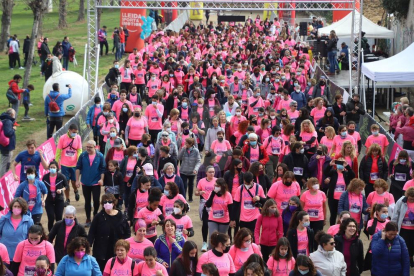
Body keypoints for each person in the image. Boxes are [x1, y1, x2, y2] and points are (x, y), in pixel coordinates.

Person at [87, 193, 131, 271]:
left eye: (110, 202)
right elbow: (92, 232)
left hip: (116, 249)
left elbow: (127, 232)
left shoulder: (121, 216)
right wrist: (88, 246)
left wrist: (124, 244)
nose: (107, 204)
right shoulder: (98, 216)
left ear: (114, 203)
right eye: (105, 202)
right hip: (101, 250)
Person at [75, 140, 106, 227]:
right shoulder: (83, 155)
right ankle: (88, 218)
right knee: (87, 201)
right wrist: (77, 180)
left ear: (95, 147)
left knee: (96, 200)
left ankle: (95, 214)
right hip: (85, 182)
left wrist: (102, 179)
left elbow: (103, 169)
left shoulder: (100, 156)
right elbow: (78, 168)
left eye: (90, 147)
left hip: (96, 183)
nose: (88, 148)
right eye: (87, 147)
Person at [55, 123, 82, 206]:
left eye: (76, 132)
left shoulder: (78, 137)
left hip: (74, 164)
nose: (75, 133)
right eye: (73, 132)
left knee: (74, 182)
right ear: (69, 130)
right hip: (64, 164)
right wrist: (56, 162)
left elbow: (79, 150)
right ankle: (68, 199)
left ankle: (76, 191)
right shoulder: (62, 138)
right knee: (66, 182)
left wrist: (79, 160)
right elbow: (59, 150)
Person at [325, 157, 355, 226]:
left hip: (343, 198)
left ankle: (342, 228)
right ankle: (332, 228)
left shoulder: (346, 173)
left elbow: (353, 176)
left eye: (342, 163)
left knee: (343, 215)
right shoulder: (333, 172)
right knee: (333, 215)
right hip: (333, 198)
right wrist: (330, 165)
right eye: (339, 163)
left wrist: (347, 166)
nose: (340, 164)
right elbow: (325, 172)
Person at [254, 199, 283, 263]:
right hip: (263, 244)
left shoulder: (278, 217)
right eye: (272, 207)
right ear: (267, 207)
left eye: (275, 207)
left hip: (274, 244)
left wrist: (279, 244)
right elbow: (257, 230)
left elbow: (280, 232)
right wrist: (257, 243)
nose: (274, 209)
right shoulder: (261, 216)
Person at [42, 160, 68, 231]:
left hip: (59, 200)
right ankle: (51, 234)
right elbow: (42, 188)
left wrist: (61, 190)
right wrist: (43, 199)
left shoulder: (61, 177)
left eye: (54, 167)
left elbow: (66, 186)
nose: (52, 169)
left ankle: (59, 232)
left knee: (59, 218)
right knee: (50, 218)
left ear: (57, 168)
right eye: (51, 167)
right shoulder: (45, 177)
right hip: (49, 200)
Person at [391, 187, 414, 266]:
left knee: (412, 245)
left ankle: (410, 258)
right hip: (403, 228)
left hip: (413, 229)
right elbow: (395, 214)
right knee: (403, 245)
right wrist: (393, 227)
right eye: (410, 199)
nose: (411, 200)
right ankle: (403, 259)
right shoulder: (401, 201)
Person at [178, 137, 201, 202]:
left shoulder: (196, 151)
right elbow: (179, 157)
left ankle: (190, 198)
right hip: (183, 171)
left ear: (191, 144)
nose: (185, 144)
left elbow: (198, 161)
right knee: (184, 185)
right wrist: (182, 149)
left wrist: (196, 169)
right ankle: (183, 198)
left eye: (187, 143)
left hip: (192, 171)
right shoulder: (183, 149)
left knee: (191, 185)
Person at [0, 108, 16, 177]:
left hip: (5, 145)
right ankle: (2, 179)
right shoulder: (8, 121)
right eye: (14, 114)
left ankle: (4, 176)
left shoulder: (4, 120)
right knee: (4, 163)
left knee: (7, 162)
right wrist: (13, 129)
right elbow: (7, 133)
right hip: (7, 146)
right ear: (12, 114)